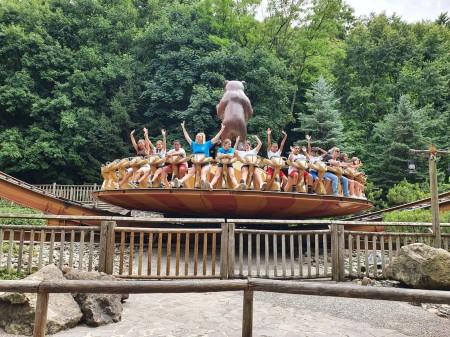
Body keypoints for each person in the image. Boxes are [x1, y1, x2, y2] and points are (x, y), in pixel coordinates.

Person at [173, 121, 225, 189]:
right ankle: (180, 181)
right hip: (196, 162)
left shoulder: (207, 144)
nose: (198, 137)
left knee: (203, 172)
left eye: (199, 137)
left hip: (205, 163)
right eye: (197, 136)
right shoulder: (194, 144)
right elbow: (187, 137)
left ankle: (203, 183)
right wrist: (183, 127)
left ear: (202, 138)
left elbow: (216, 138)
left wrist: (222, 130)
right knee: (191, 172)